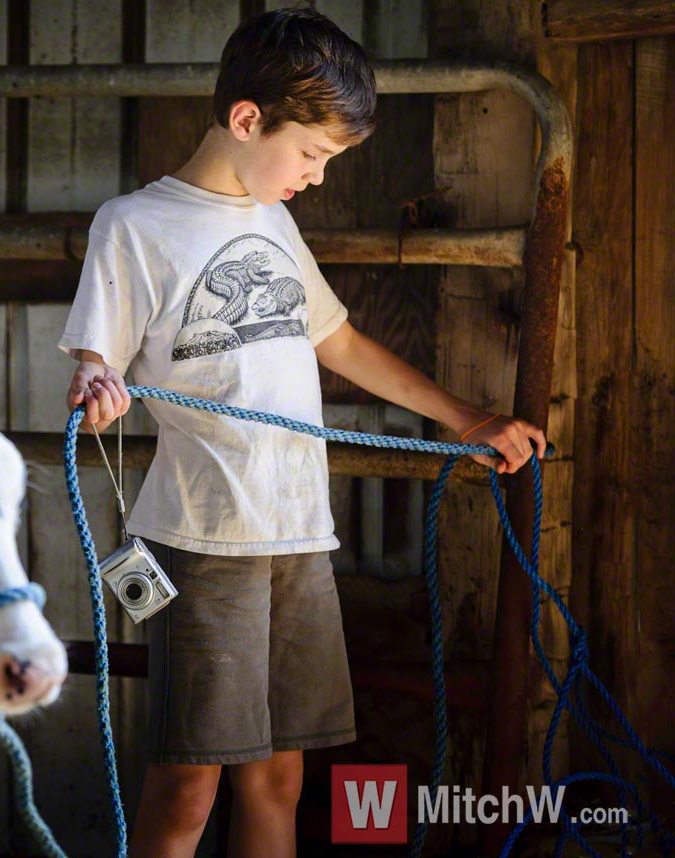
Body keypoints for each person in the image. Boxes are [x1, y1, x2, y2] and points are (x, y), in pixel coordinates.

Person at [58, 8, 547, 858]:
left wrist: (468, 418)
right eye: (314, 155)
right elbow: (96, 357)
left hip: (299, 532)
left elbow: (340, 341)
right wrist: (98, 381)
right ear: (248, 121)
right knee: (188, 784)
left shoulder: (272, 218)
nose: (318, 179)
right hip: (204, 540)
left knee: (280, 776)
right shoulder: (132, 225)